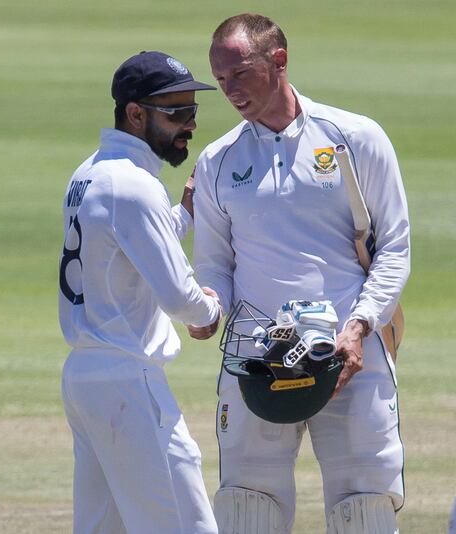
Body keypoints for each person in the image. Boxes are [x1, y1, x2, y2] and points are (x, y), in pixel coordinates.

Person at [190, 14, 410, 533]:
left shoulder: (355, 137)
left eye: (239, 74)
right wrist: (207, 307)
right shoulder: (218, 161)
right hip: (259, 361)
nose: (230, 90)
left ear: (279, 61)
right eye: (220, 80)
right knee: (248, 504)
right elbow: (215, 266)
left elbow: (395, 248)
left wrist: (358, 327)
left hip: (350, 355)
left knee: (366, 502)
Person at [58, 50, 222, 534]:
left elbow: (125, 247)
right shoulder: (133, 185)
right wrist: (210, 307)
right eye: (177, 113)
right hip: (128, 380)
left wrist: (184, 213)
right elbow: (178, 299)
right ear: (135, 113)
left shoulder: (89, 173)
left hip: (87, 378)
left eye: (192, 111)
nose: (189, 125)